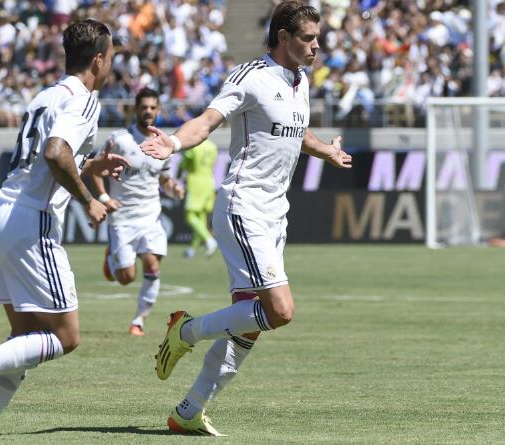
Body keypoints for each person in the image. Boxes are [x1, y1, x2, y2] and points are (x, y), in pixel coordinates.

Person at [141, 1, 352, 436]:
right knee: (279, 311)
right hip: (243, 207)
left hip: (276, 214)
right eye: (308, 38)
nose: (317, 45)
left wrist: (325, 150)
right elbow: (208, 121)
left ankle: (188, 411)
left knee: (249, 323)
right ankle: (187, 330)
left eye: (317, 38)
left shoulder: (300, 79)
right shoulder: (251, 76)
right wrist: (175, 144)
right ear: (283, 38)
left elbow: (296, 131)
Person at [0, 20, 128, 445]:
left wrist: (89, 167)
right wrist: (89, 199)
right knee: (65, 337)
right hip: (30, 221)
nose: (111, 64)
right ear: (98, 60)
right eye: (111, 57)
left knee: (25, 338)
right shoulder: (85, 99)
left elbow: (45, 157)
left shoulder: (47, 94)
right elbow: (56, 153)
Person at [92, 87, 185, 337]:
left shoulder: (163, 143)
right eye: (143, 107)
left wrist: (173, 187)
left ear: (158, 110)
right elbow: (96, 170)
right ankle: (112, 258)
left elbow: (163, 177)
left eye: (152, 107)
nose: (148, 112)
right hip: (122, 217)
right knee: (125, 278)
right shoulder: (120, 139)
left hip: (151, 216)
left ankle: (138, 321)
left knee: (152, 267)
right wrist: (103, 198)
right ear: (135, 109)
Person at [177, 138, 218, 259]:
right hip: (209, 183)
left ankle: (209, 240)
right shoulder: (212, 146)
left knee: (190, 217)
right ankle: (192, 249)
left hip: (196, 184)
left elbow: (183, 164)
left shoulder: (193, 146)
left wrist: (178, 176)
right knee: (201, 219)